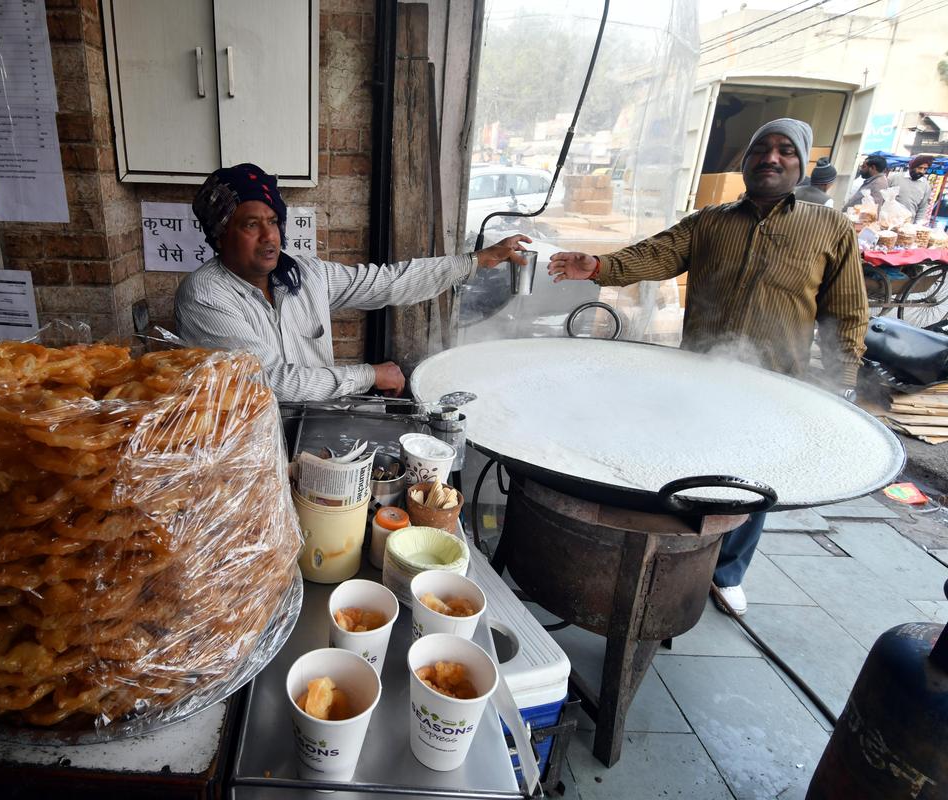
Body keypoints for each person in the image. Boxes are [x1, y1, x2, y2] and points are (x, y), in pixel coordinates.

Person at [546, 118, 868, 617]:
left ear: (801, 164)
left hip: (775, 383)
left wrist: (843, 382)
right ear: (746, 161)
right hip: (699, 374)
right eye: (762, 148)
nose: (772, 158)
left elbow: (846, 313)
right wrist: (601, 267)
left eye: (785, 151)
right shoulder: (710, 221)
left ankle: (727, 571)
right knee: (692, 464)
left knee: (754, 479)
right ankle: (676, 554)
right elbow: (656, 254)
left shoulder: (829, 228)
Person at [175, 163, 530, 402]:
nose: (270, 237)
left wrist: (476, 261)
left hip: (310, 433)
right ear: (220, 235)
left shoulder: (301, 275)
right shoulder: (204, 295)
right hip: (243, 453)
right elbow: (268, 381)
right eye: (251, 225)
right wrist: (368, 375)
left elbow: (388, 282)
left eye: (273, 221)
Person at [890, 154, 935, 223]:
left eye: (925, 169)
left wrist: (917, 225)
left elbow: (922, 208)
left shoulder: (926, 186)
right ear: (912, 167)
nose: (922, 171)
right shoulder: (894, 178)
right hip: (889, 221)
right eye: (920, 168)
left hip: (908, 225)